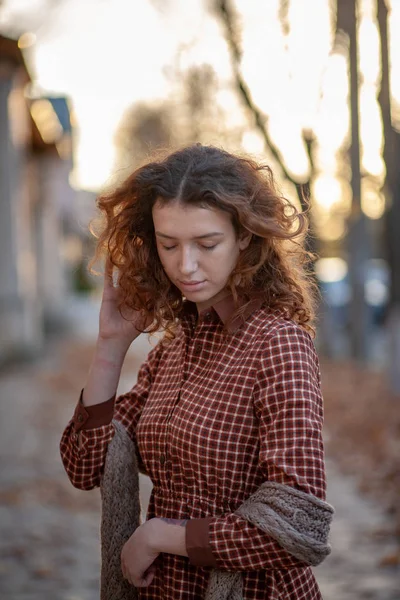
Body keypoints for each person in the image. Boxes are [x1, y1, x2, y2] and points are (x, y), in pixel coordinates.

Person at [60, 143, 333, 599]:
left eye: (207, 244)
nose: (185, 266)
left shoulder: (277, 344)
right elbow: (85, 466)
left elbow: (298, 526)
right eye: (169, 244)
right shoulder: (175, 348)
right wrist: (110, 345)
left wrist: (162, 535)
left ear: (244, 237)